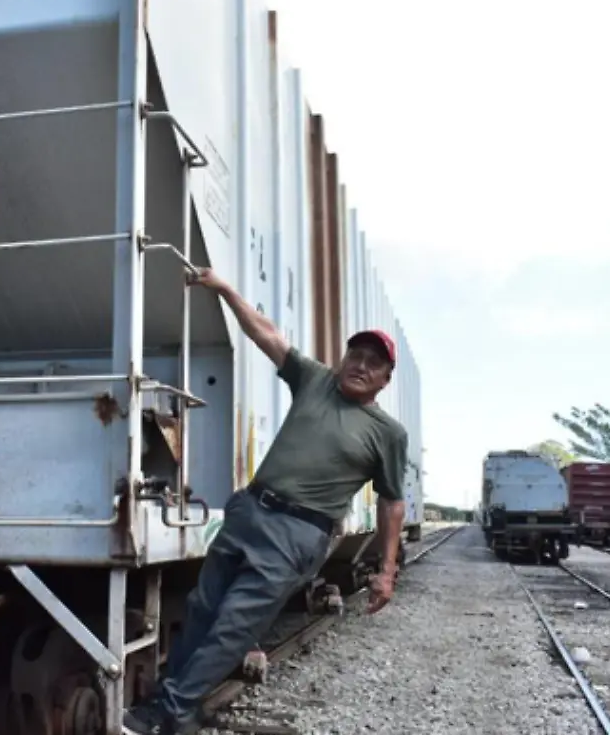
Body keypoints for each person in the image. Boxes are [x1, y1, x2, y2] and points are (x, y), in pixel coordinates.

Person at [123, 268, 408, 735]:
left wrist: (386, 570)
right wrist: (226, 290)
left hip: (298, 533)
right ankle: (171, 702)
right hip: (250, 510)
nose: (360, 365)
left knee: (234, 623)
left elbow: (392, 503)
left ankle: (169, 710)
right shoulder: (316, 380)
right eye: (354, 354)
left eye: (373, 362)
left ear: (385, 379)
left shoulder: (387, 434)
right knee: (202, 606)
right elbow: (268, 335)